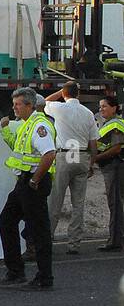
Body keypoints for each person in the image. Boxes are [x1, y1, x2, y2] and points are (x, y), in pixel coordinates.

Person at [0, 87, 58, 290]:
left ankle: (44, 277)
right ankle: (16, 271)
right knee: (6, 221)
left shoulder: (39, 125)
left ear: (30, 105)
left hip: (33, 183)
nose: (14, 108)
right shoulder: (27, 124)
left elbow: (49, 154)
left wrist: (34, 181)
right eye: (14, 104)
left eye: (17, 105)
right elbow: (18, 148)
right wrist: (5, 130)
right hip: (23, 183)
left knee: (38, 230)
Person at [43, 82, 98, 254]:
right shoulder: (88, 113)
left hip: (64, 155)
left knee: (55, 201)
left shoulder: (59, 108)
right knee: (78, 204)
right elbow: (93, 142)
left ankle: (48, 239)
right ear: (79, 94)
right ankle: (74, 243)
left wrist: (60, 92)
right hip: (81, 155)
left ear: (65, 93)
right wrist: (92, 163)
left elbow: (45, 101)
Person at [92, 95, 124, 251]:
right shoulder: (109, 123)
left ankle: (115, 240)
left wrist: (95, 158)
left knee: (115, 203)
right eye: (100, 106)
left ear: (114, 108)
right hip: (110, 167)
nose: (101, 109)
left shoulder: (116, 124)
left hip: (115, 166)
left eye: (104, 106)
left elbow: (116, 148)